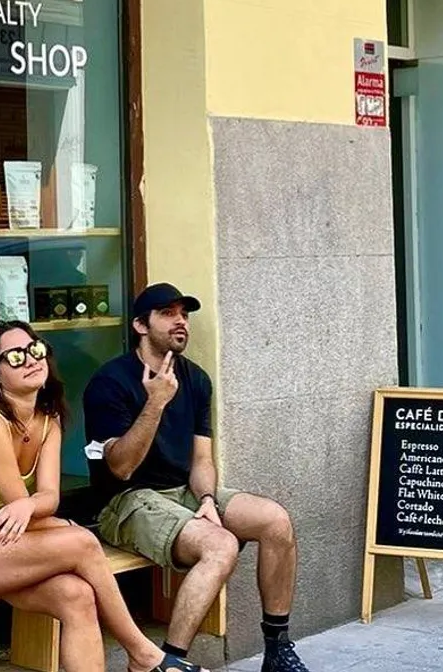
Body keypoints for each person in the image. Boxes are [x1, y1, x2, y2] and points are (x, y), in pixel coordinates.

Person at [0, 321, 201, 672]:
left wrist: (44, 513)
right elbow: (20, 505)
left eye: (35, 349)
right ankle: (143, 655)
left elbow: (46, 499)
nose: (30, 359)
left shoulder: (48, 418)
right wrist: (46, 517)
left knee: (77, 596)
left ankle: (141, 658)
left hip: (3, 532)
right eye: (15, 356)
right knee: (82, 543)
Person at [83, 284, 311, 672]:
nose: (180, 322)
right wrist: (155, 402)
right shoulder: (111, 382)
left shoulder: (197, 379)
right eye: (168, 313)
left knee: (276, 521)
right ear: (141, 324)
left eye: (184, 315)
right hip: (126, 501)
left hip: (183, 493)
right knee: (220, 546)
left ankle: (277, 649)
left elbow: (201, 458)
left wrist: (206, 500)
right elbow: (120, 468)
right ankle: (168, 662)